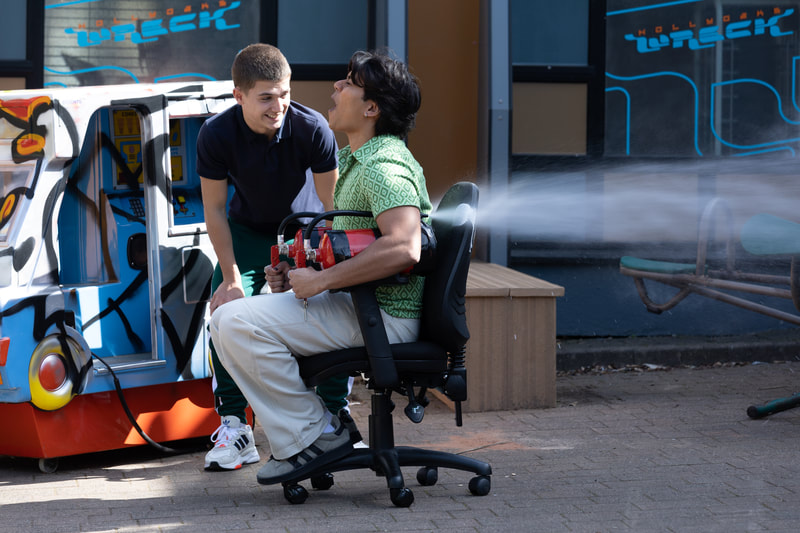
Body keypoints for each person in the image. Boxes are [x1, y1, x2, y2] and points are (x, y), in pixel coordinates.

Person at [208, 49, 431, 483]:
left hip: (384, 316)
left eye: (349, 82)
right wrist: (298, 271)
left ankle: (316, 433)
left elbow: (404, 247)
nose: (336, 86)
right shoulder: (357, 161)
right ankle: (312, 429)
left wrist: (322, 281)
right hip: (363, 306)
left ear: (371, 108)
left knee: (233, 323)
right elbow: (351, 244)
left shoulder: (382, 166)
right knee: (231, 317)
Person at [196, 43, 351, 471]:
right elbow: (213, 210)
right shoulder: (215, 134)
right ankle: (236, 427)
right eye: (266, 97)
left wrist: (320, 267)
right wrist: (231, 278)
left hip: (305, 228)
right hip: (246, 231)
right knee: (224, 310)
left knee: (328, 302)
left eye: (284, 94)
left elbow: (332, 207)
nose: (278, 105)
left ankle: (334, 415)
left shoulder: (313, 128)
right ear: (239, 96)